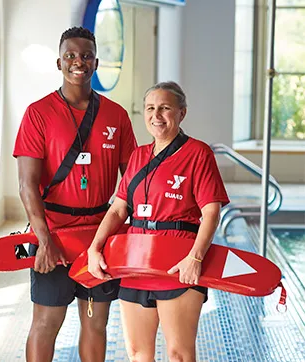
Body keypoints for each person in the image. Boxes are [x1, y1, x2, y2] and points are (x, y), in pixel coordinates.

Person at [13, 27, 137, 362]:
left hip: (101, 236)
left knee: (96, 323)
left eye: (85, 56)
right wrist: (43, 240)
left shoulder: (117, 116)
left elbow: (133, 183)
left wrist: (137, 235)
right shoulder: (38, 113)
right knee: (46, 321)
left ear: (96, 62)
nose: (77, 62)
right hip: (53, 230)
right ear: (59, 62)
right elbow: (26, 185)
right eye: (70, 55)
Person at [88, 81, 230, 362]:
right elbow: (118, 210)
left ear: (182, 113)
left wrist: (196, 258)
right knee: (138, 352)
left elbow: (211, 212)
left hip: (178, 262)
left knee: (179, 354)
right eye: (151, 108)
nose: (157, 115)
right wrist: (95, 248)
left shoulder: (198, 154)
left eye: (165, 108)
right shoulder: (138, 156)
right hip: (136, 261)